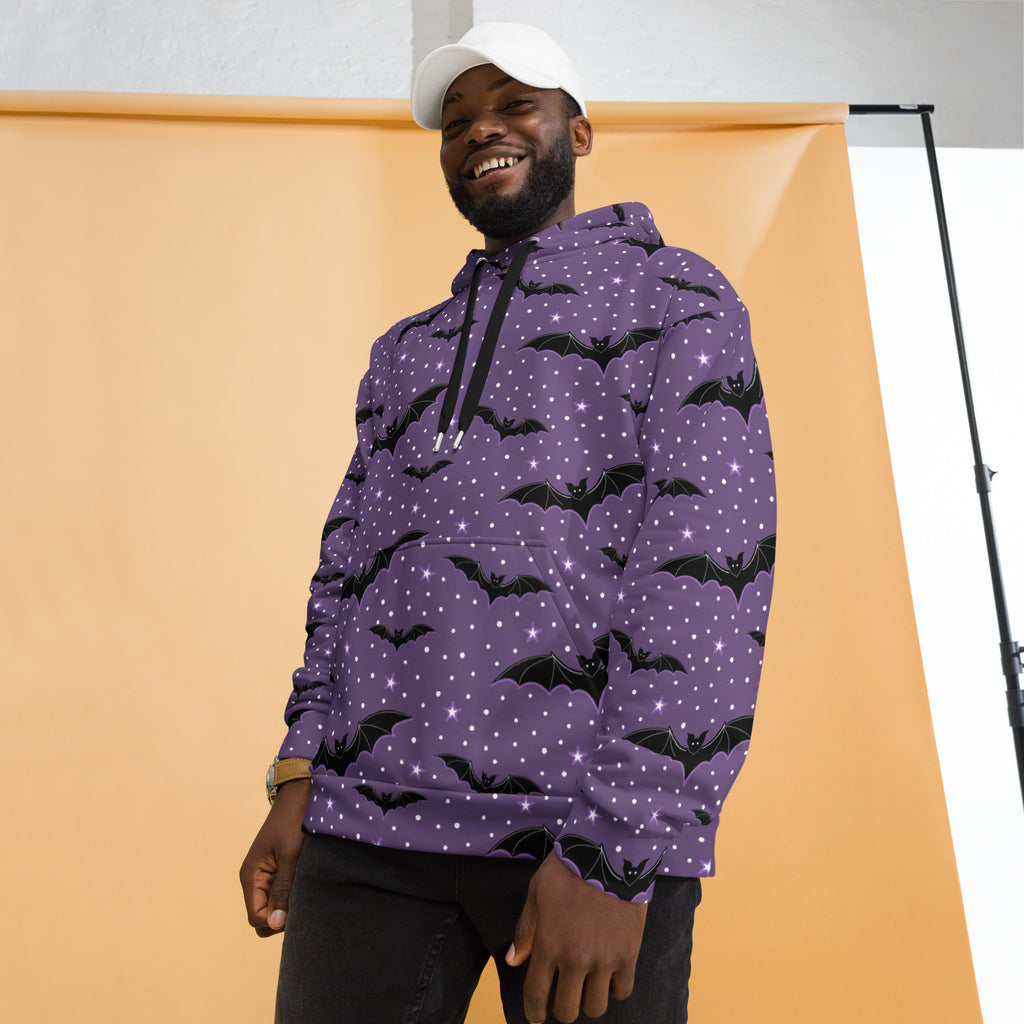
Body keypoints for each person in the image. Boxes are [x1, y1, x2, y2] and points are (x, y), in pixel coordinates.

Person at [241, 21, 775, 1024]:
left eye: (514, 104)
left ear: (578, 132)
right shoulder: (406, 350)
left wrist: (616, 850)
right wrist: (300, 770)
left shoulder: (678, 299)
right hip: (366, 833)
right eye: (456, 122)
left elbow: (709, 573)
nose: (481, 129)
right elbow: (348, 568)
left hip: (575, 829)